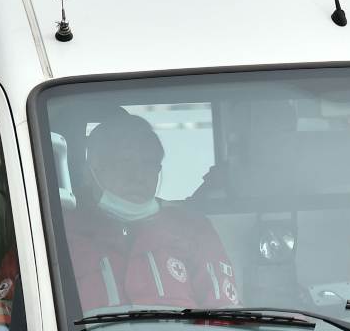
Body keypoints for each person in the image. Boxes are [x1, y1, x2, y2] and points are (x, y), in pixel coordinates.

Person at [66, 111, 239, 311]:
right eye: (125, 163)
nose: (138, 176)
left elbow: (224, 313)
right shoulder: (60, 232)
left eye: (148, 164)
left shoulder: (193, 229)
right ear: (90, 171)